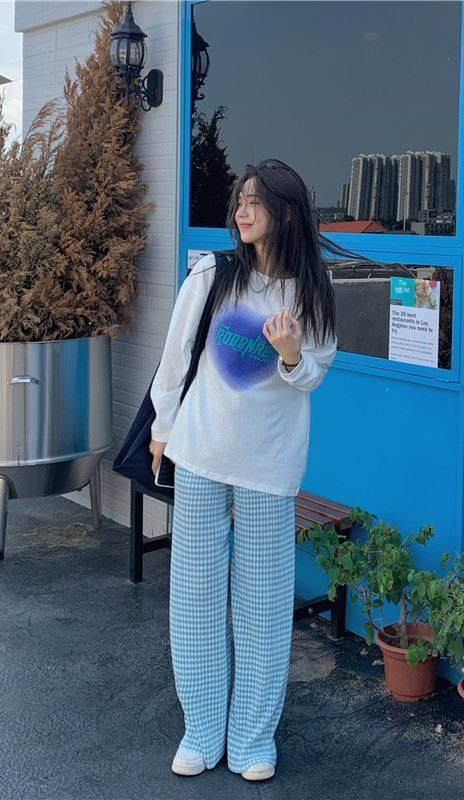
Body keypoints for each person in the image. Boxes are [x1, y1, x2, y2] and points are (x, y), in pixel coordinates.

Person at [148, 158, 362, 782]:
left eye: (255, 202)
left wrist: (291, 355)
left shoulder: (313, 293)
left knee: (263, 606)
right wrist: (162, 429)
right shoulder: (213, 275)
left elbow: (313, 375)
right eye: (239, 202)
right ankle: (201, 729)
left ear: (286, 212)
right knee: (195, 598)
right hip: (201, 453)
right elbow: (175, 357)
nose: (242, 212)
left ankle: (251, 738)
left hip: (268, 465)